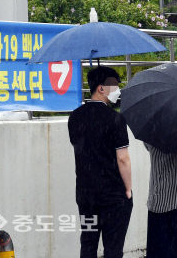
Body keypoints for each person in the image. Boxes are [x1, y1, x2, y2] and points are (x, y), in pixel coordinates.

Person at [68, 66, 132, 258]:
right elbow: (123, 158)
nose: (117, 90)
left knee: (88, 242)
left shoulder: (75, 117)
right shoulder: (115, 119)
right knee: (113, 247)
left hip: (86, 193)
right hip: (112, 194)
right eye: (114, 85)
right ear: (101, 88)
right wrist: (128, 189)